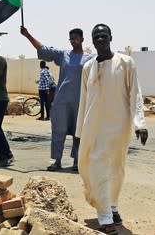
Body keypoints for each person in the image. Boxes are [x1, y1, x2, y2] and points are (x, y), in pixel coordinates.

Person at [75, 24, 148, 234]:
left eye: (103, 35)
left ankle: (113, 206)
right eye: (96, 36)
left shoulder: (125, 63)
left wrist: (139, 124)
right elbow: (83, 101)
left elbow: (135, 94)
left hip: (119, 128)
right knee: (97, 169)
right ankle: (105, 216)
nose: (100, 39)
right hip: (94, 129)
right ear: (92, 40)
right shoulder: (88, 67)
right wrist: (79, 133)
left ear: (110, 37)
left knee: (116, 170)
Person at [21, 26, 93, 171]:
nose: (73, 41)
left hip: (81, 101)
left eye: (76, 38)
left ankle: (77, 162)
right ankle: (57, 161)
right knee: (58, 130)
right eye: (71, 38)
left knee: (79, 132)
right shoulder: (63, 55)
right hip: (62, 100)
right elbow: (44, 50)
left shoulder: (90, 59)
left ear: (82, 39)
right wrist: (28, 35)